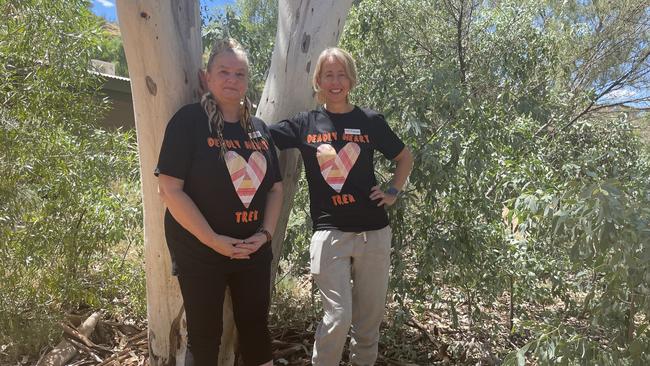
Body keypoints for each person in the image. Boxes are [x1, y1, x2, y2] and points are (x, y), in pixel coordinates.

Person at [270, 47, 414, 366]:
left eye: (341, 74)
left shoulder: (370, 121)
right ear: (318, 80)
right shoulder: (305, 123)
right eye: (328, 75)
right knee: (337, 319)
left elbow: (404, 157)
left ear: (351, 79)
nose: (335, 81)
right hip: (330, 234)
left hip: (373, 234)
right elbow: (261, 136)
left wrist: (392, 190)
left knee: (368, 326)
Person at [155, 38, 282, 366]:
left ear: (247, 81)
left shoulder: (260, 130)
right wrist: (213, 240)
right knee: (205, 333)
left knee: (256, 327)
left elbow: (275, 190)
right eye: (223, 71)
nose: (232, 79)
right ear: (206, 77)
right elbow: (169, 190)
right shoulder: (188, 122)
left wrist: (265, 235)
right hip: (199, 251)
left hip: (252, 251)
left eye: (240, 74)